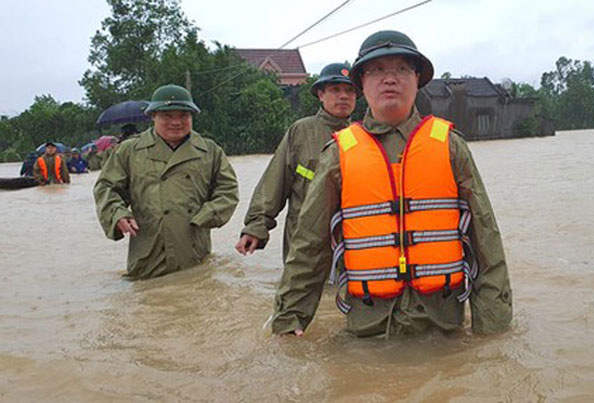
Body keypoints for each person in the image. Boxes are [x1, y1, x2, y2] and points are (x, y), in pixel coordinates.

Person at [270, 31, 512, 337]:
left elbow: (485, 239)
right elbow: (309, 245)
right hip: (368, 333)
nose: (390, 78)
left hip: (443, 331)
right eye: (378, 70)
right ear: (362, 83)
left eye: (401, 69)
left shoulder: (450, 145)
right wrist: (289, 322)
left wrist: (493, 330)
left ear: (417, 79)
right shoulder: (338, 154)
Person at [94, 84, 239, 280]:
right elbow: (107, 188)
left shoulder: (210, 151)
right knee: (149, 303)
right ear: (153, 116)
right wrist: (117, 213)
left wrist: (205, 216)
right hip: (148, 255)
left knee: (199, 298)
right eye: (167, 116)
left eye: (183, 116)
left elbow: (228, 191)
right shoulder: (129, 151)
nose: (176, 122)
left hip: (194, 251)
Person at [235, 63, 358, 261]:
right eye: (335, 90)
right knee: (299, 290)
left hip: (352, 243)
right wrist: (256, 227)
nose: (343, 96)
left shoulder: (363, 136)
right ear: (320, 95)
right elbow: (274, 183)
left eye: (350, 91)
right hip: (305, 241)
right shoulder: (300, 131)